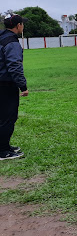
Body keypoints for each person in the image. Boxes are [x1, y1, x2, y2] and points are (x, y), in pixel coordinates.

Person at [0, 14, 29, 160]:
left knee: (2, 116)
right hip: (5, 84)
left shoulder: (1, 37)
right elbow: (14, 66)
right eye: (22, 24)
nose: (23, 26)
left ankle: (4, 145)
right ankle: (3, 151)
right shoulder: (12, 42)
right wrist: (23, 86)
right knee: (8, 117)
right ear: (18, 26)